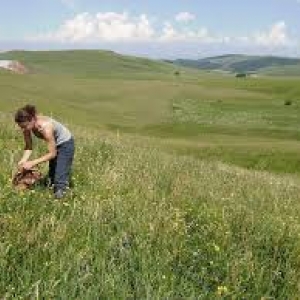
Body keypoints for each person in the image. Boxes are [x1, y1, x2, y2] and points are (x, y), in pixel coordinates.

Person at [14, 104, 75, 199]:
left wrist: (32, 163)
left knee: (60, 176)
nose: (23, 129)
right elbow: (29, 146)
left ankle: (60, 199)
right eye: (21, 127)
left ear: (32, 119)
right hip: (54, 144)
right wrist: (23, 160)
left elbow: (52, 153)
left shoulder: (45, 127)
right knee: (52, 175)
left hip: (65, 144)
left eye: (24, 126)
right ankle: (49, 194)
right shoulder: (27, 126)